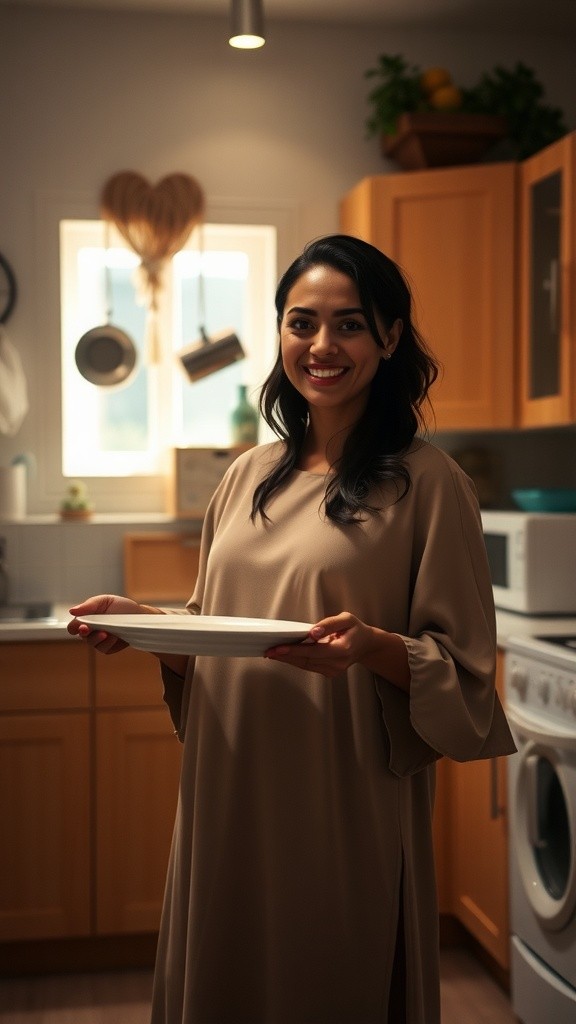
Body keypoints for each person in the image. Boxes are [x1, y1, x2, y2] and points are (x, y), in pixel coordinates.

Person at [68, 234, 516, 1024]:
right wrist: (147, 628)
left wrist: (371, 647)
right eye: (301, 322)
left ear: (390, 337)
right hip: (228, 790)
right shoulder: (245, 476)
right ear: (280, 333)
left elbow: (465, 676)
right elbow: (214, 631)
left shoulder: (430, 485)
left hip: (340, 800)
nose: (322, 345)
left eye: (350, 324)